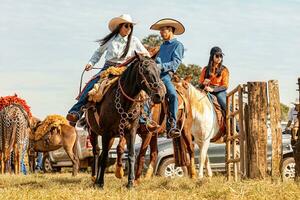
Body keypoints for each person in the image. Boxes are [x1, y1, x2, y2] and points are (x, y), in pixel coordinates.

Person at [66, 14, 150, 123]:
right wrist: (91, 63)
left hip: (126, 69)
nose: (129, 29)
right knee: (92, 84)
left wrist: (140, 55)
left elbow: (146, 54)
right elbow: (98, 52)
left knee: (143, 89)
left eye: (130, 26)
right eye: (126, 26)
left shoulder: (134, 40)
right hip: (108, 68)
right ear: (120, 26)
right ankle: (76, 112)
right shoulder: (111, 40)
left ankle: (145, 119)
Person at [148, 18, 185, 138]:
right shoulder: (162, 46)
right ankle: (144, 120)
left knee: (173, 95)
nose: (160, 33)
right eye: (160, 31)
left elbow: (175, 63)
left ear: (170, 30)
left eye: (163, 30)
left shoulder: (178, 45)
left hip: (165, 76)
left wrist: (160, 67)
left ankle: (172, 125)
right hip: (154, 75)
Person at [199, 47, 229, 112]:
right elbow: (200, 84)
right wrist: (204, 84)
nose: (219, 58)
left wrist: (213, 90)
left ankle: (234, 119)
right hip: (206, 90)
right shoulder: (205, 69)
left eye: (221, 56)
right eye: (217, 56)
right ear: (212, 56)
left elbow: (225, 86)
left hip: (219, 91)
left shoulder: (224, 70)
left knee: (224, 103)